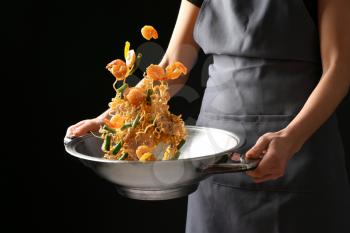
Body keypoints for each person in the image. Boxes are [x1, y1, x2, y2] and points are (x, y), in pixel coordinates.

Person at [66, 0, 350, 232]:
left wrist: (290, 138)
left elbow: (338, 69)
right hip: (214, 159)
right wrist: (113, 118)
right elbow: (172, 65)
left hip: (298, 152)